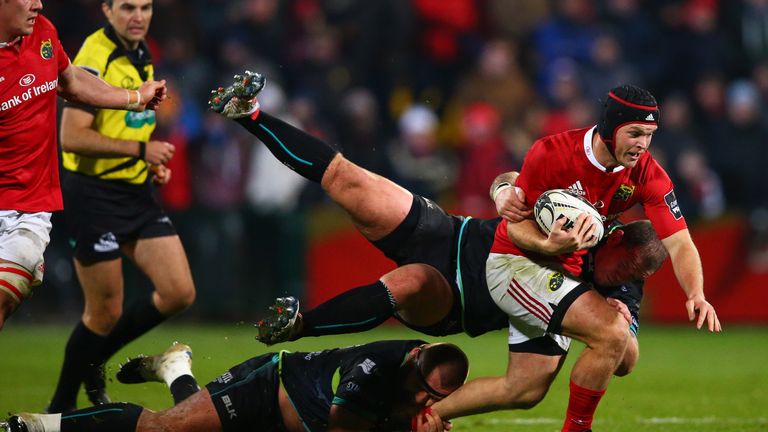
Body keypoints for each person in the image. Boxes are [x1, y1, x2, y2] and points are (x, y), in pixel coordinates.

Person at [208, 72, 669, 412]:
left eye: (629, 279)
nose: (619, 280)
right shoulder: (587, 207)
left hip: (456, 300)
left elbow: (625, 357)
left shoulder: (621, 288)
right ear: (617, 234)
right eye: (622, 269)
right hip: (451, 233)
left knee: (409, 284)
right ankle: (248, 114)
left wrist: (622, 326)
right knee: (352, 181)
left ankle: (299, 324)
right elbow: (514, 180)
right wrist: (501, 191)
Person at [421, 84, 722, 432]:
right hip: (517, 264)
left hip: (564, 277)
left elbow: (680, 243)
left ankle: (428, 416)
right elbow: (515, 225)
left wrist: (696, 293)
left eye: (650, 135)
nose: (643, 144)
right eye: (635, 133)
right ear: (610, 128)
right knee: (610, 333)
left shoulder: (647, 175)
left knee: (523, 389)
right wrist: (548, 246)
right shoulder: (551, 153)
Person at [45, 0, 195, 412]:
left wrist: (147, 163)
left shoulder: (142, 52)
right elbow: (72, 137)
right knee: (103, 312)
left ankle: (97, 358)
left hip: (135, 193)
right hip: (93, 195)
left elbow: (129, 120)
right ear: (107, 9)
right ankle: (59, 409)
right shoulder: (96, 54)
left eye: (145, 7)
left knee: (178, 291)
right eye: (127, 7)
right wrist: (140, 149)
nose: (138, 16)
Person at [0, 0, 166, 330]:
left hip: (27, 209)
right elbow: (73, 135)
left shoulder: (43, 33)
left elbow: (71, 81)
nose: (39, 4)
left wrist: (133, 98)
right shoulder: (99, 48)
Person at [3, 340, 469, 432]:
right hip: (267, 387)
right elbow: (341, 427)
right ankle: (38, 426)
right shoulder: (374, 367)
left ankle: (175, 370)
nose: (426, 402)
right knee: (162, 431)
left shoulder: (415, 380)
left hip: (286, 421)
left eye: (436, 400)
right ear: (413, 361)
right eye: (424, 391)